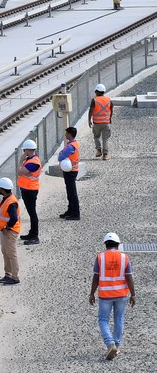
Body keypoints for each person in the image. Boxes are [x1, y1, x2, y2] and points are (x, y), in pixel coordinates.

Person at [88, 232, 136, 361]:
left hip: (105, 294)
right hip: (121, 294)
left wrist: (92, 293)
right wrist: (133, 294)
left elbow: (96, 277)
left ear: (105, 244)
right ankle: (117, 345)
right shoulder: (124, 257)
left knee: (103, 320)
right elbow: (129, 277)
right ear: (118, 244)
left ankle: (110, 344)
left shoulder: (100, 257)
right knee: (119, 319)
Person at [16, 139, 42, 245]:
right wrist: (24, 172)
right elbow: (24, 173)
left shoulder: (33, 162)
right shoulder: (31, 160)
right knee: (31, 213)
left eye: (25, 150)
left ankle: (35, 236)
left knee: (32, 214)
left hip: (30, 190)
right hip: (27, 189)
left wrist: (20, 162)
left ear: (28, 150)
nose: (24, 152)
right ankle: (32, 233)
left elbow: (20, 171)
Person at [0, 177, 20, 285]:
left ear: (3, 189)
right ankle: (8, 274)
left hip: (10, 232)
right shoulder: (7, 199)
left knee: (11, 254)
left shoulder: (11, 202)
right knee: (5, 252)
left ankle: (15, 277)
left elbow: (13, 218)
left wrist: (7, 227)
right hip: (6, 231)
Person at [58, 126, 81, 220]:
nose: (65, 135)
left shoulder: (71, 146)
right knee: (70, 192)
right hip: (71, 170)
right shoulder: (74, 144)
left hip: (70, 171)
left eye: (67, 133)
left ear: (70, 134)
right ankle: (70, 210)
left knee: (72, 193)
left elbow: (61, 156)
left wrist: (61, 153)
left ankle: (75, 213)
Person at [88, 83, 113, 160]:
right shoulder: (108, 99)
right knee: (105, 139)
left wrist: (89, 120)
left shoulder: (94, 100)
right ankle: (105, 155)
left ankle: (98, 150)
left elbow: (91, 111)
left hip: (97, 123)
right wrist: (110, 119)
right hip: (106, 122)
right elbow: (111, 110)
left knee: (96, 136)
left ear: (97, 91)